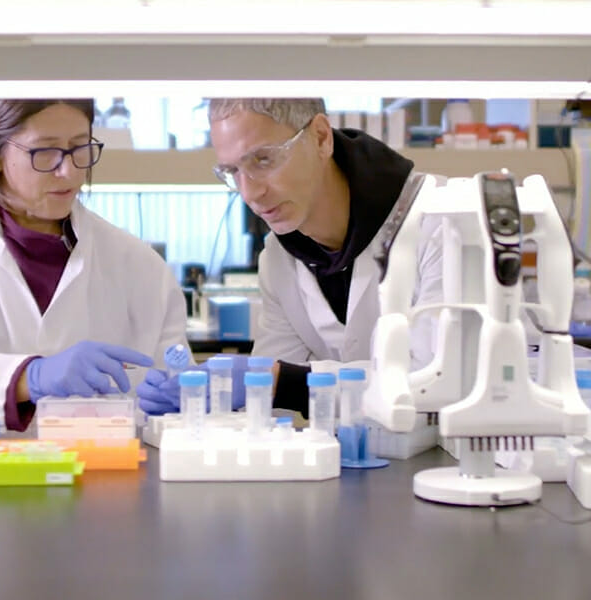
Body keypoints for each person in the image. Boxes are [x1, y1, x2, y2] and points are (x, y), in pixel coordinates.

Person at [0, 99, 190, 431]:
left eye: (79, 148)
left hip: (110, 474)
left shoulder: (138, 263)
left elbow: (175, 375)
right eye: (45, 152)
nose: (69, 171)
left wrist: (180, 397)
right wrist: (29, 377)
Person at [137, 97, 442, 417]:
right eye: (232, 171)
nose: (250, 194)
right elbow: (266, 408)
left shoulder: (440, 221)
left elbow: (436, 382)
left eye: (264, 159)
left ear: (321, 137)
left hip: (451, 462)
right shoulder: (279, 258)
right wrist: (201, 398)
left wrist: (282, 383)